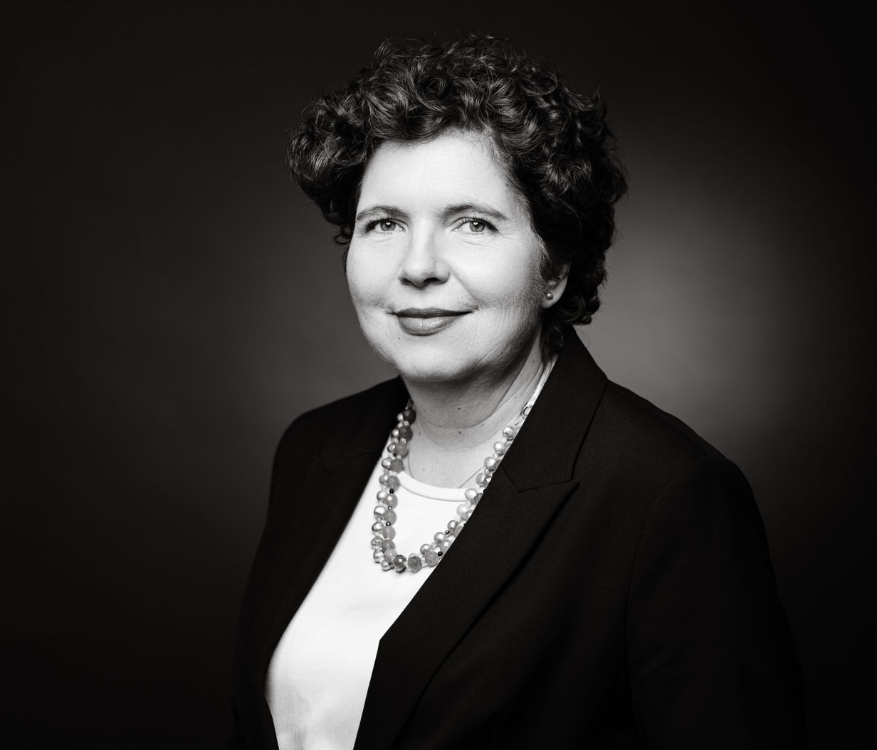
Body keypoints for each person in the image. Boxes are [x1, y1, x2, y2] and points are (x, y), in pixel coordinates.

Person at [230, 34, 806, 750]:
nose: (417, 267)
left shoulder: (666, 496)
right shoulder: (315, 449)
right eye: (383, 224)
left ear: (555, 267)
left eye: (472, 223)